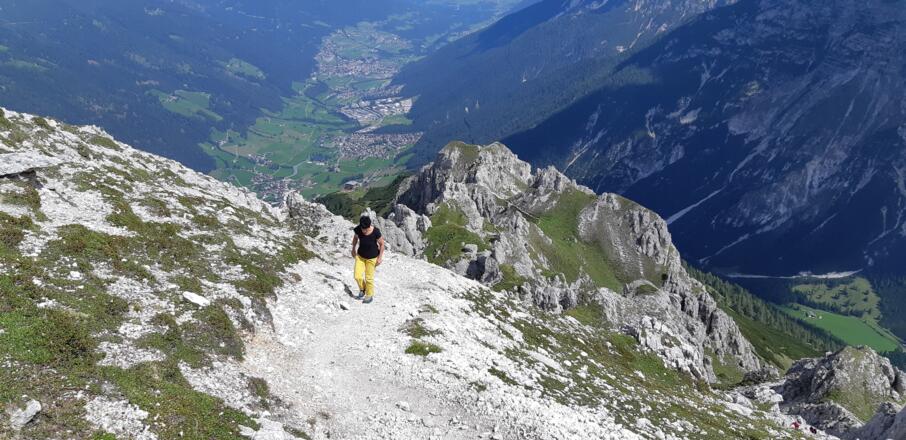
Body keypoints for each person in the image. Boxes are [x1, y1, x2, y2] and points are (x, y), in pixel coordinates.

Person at [351, 215, 384, 304]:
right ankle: (363, 288)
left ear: (369, 226)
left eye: (365, 229)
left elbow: (382, 244)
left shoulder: (376, 232)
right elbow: (355, 238)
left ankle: (369, 295)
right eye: (362, 229)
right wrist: (353, 249)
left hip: (372, 258)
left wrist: (380, 258)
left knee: (369, 278)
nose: (363, 231)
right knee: (357, 276)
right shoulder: (358, 229)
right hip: (360, 256)